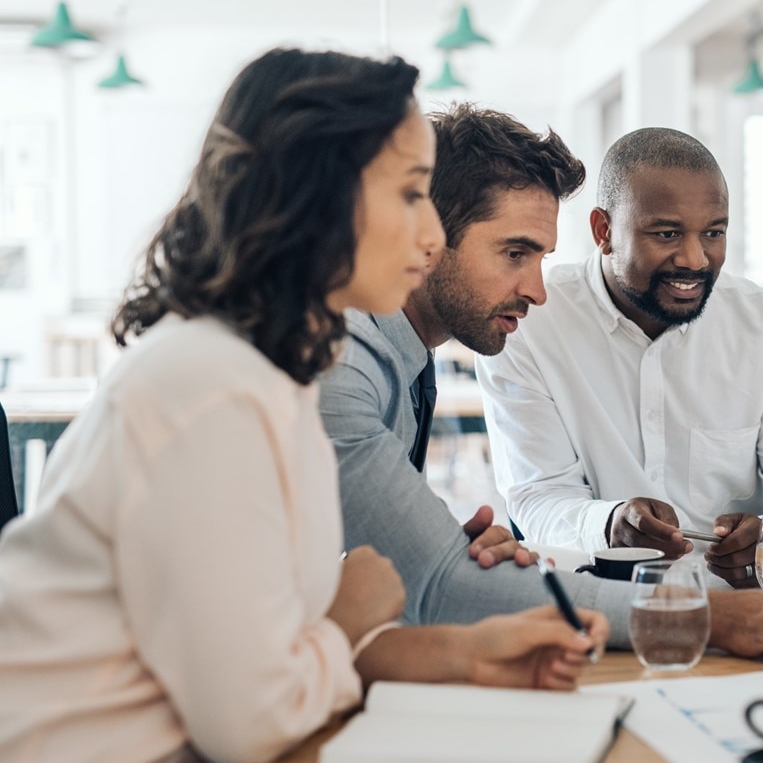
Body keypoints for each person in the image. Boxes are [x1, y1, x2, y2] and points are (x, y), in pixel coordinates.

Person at [0, 50, 604, 763]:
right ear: (319, 196)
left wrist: (463, 652)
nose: (432, 235)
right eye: (411, 194)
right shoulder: (210, 385)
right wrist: (350, 612)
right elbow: (250, 720)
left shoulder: (270, 375)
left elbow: (264, 647)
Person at [320, 105, 763, 660]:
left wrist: (456, 559)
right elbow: (442, 584)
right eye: (515, 253)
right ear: (425, 235)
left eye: (713, 232)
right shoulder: (345, 366)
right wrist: (717, 618)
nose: (537, 289)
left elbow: (405, 576)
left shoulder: (401, 357)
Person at [476, 127, 763, 590]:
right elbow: (538, 496)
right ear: (604, 232)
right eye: (667, 233)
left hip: (744, 605)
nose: (695, 259)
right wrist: (609, 524)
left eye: (713, 232)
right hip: (601, 602)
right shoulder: (532, 322)